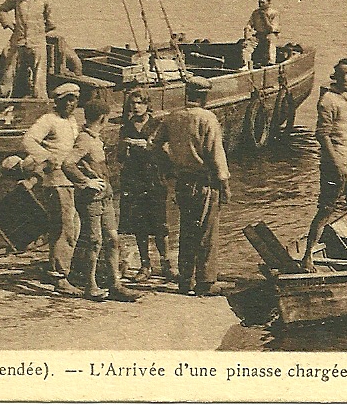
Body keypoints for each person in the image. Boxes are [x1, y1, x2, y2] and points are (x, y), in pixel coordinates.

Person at [300, 59, 347, 273]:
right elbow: (322, 135)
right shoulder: (327, 101)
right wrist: (337, 164)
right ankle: (308, 256)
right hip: (336, 164)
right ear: (335, 77)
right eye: (342, 74)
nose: (346, 78)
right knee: (326, 210)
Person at [148, 95, 230, 296]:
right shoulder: (207, 118)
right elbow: (216, 155)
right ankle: (205, 281)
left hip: (182, 181)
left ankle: (186, 279)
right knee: (207, 231)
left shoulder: (172, 117)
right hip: (204, 181)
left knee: (187, 229)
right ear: (205, 97)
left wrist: (168, 166)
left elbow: (153, 143)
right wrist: (225, 186)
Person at [62, 98, 140, 302]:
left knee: (113, 239)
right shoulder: (85, 139)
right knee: (94, 241)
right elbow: (68, 163)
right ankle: (91, 286)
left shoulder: (95, 138)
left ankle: (115, 284)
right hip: (92, 199)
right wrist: (86, 182)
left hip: (105, 196)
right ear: (103, 118)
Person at [12, 83, 83, 295]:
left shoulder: (71, 121)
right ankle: (60, 276)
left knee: (72, 225)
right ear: (57, 102)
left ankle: (60, 267)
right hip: (56, 179)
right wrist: (47, 157)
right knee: (65, 228)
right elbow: (28, 140)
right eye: (66, 100)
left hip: (70, 178)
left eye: (74, 100)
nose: (70, 104)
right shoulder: (48, 120)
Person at [117, 88, 174, 283]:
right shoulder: (126, 127)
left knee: (160, 225)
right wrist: (125, 148)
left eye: (140, 103)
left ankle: (166, 264)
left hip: (155, 179)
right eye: (133, 103)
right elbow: (120, 158)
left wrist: (149, 147)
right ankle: (145, 265)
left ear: (148, 105)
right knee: (139, 226)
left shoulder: (158, 125)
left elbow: (167, 154)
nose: (136, 106)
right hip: (135, 181)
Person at [0, 0, 55, 98]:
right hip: (18, 41)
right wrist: (9, 24)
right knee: (9, 71)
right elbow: (1, 9)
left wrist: (38, 32)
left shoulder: (45, 0)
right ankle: (3, 98)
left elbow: (51, 23)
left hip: (37, 43)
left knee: (39, 73)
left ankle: (39, 100)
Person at [246, 0, 281, 67]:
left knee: (270, 41)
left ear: (268, 3)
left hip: (270, 34)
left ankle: (271, 62)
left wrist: (264, 17)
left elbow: (271, 29)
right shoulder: (256, 13)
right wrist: (248, 34)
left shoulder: (274, 13)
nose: (260, 4)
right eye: (259, 2)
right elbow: (249, 24)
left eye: (263, 2)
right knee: (247, 45)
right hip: (259, 34)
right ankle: (246, 64)